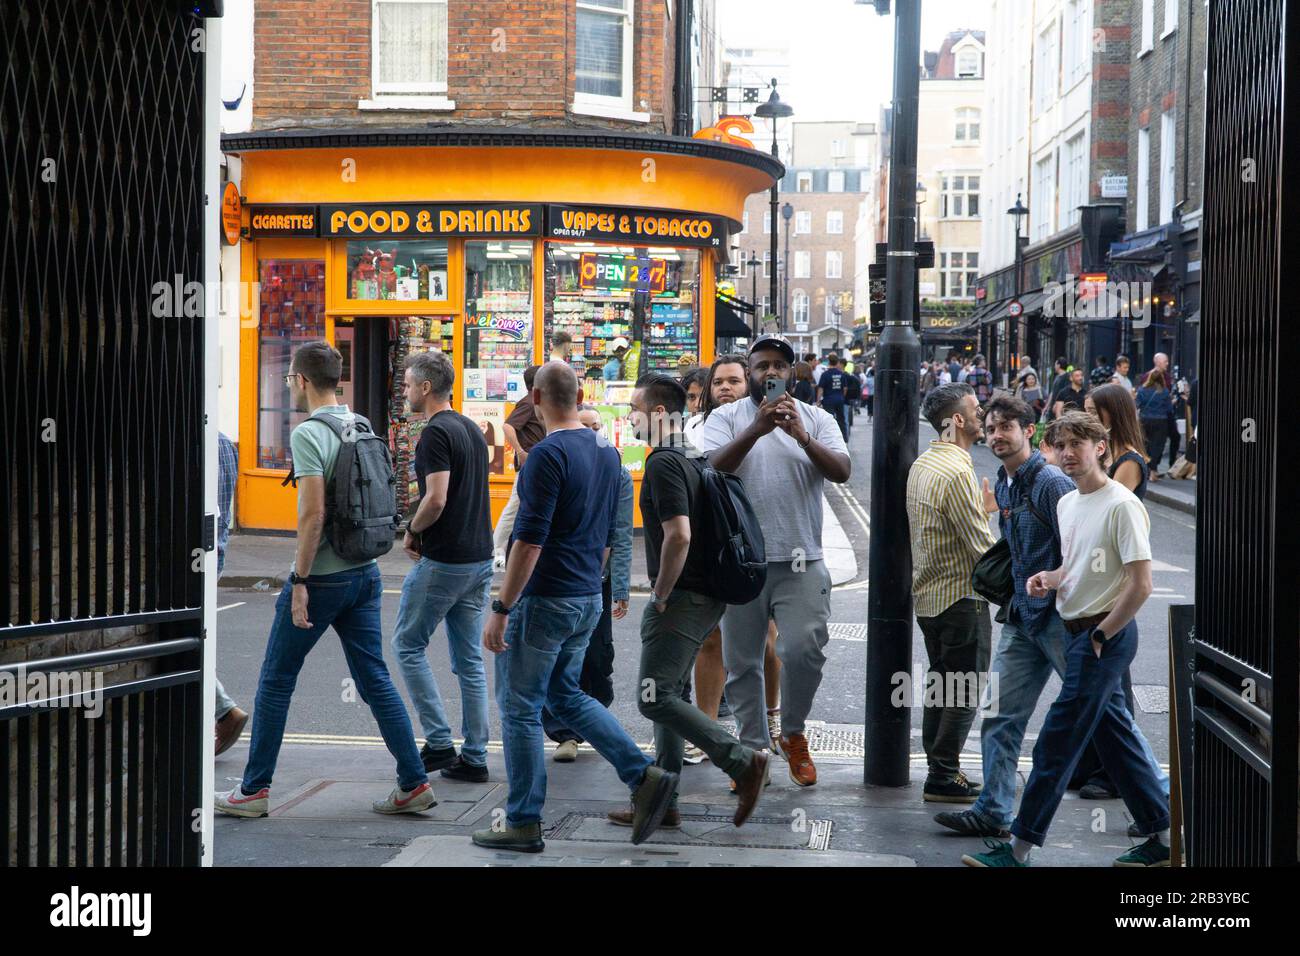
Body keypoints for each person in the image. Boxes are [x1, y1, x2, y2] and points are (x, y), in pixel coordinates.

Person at [216, 342, 431, 818]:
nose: (289, 387)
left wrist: (299, 580)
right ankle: (414, 783)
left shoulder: (310, 434)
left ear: (302, 381)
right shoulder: (362, 424)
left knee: (275, 682)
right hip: (366, 573)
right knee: (375, 678)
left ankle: (253, 791)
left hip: (325, 579)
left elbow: (312, 514)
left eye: (290, 380)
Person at [474, 362, 677, 853]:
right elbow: (611, 537)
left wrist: (503, 604)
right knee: (566, 695)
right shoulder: (606, 453)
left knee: (520, 708)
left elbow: (529, 541)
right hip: (588, 596)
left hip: (544, 600)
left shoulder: (546, 455)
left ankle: (522, 820)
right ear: (580, 393)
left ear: (538, 398)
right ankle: (643, 776)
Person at [963, 410, 1170, 867]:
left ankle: (1018, 850)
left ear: (1100, 448)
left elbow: (1141, 584)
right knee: (1113, 737)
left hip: (1103, 635)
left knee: (1056, 741)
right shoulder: (1068, 503)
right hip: (1077, 628)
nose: (1068, 453)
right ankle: (1163, 833)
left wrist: (1100, 635)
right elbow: (1075, 568)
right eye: (1060, 445)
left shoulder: (1121, 504)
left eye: (1078, 444)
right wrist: (1049, 578)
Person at [603, 374, 770, 830]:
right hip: (708, 593)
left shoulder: (663, 463)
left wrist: (659, 595)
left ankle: (741, 761)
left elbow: (679, 534)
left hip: (681, 597)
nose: (630, 419)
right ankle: (664, 801)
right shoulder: (695, 455)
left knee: (651, 696)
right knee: (671, 691)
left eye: (635, 410)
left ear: (659, 414)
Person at [698, 334, 851, 787]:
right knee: (741, 660)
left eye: (778, 366)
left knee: (804, 649)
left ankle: (793, 734)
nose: (770, 373)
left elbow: (842, 472)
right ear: (750, 373)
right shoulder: (726, 417)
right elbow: (713, 468)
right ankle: (751, 751)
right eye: (761, 365)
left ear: (791, 373)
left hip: (803, 558)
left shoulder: (817, 419)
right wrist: (756, 430)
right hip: (742, 561)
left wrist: (800, 436)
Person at [390, 350, 495, 783]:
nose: (407, 391)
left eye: (410, 384)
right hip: (480, 559)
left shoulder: (434, 434)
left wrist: (412, 530)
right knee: (469, 659)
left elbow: (436, 498)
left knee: (407, 646)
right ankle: (474, 756)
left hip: (447, 559)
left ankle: (436, 741)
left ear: (427, 387)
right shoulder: (470, 428)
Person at [681, 354, 782, 765]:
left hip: (758, 544)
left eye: (734, 381)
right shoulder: (693, 428)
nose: (725, 387)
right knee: (711, 639)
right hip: (712, 542)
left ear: (748, 384)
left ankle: (770, 718)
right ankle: (707, 729)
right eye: (718, 382)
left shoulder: (767, 422)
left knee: (767, 642)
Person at [906, 383, 997, 803]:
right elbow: (981, 547)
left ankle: (939, 769)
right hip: (962, 597)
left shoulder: (924, 463)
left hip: (929, 596)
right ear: (957, 419)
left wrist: (982, 507)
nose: (983, 416)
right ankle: (944, 774)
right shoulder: (959, 471)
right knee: (963, 689)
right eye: (976, 409)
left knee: (940, 685)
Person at [545, 406, 633, 762]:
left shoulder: (618, 474)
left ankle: (592, 718)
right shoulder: (558, 466)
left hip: (598, 580)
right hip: (562, 577)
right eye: (586, 427)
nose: (593, 434)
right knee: (562, 658)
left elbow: (622, 533)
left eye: (597, 427)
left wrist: (622, 587)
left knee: (597, 657)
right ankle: (566, 734)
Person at [214, 430, 249, 757]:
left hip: (193, 557)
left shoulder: (199, 438)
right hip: (215, 554)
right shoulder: (224, 442)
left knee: (188, 639)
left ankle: (223, 710)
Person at [496, 365, 544, 565]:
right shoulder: (528, 403)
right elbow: (507, 426)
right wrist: (521, 452)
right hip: (530, 465)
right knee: (512, 510)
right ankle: (497, 555)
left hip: (537, 464)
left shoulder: (537, 402)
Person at [1136, 369, 1173, 480]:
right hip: (1160, 421)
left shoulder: (1142, 390)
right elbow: (1169, 409)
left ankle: (1146, 469)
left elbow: (1137, 404)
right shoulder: (1165, 392)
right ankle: (1153, 470)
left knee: (1145, 445)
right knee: (1157, 446)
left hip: (1145, 420)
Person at [817, 353, 849, 441]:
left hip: (828, 400)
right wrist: (842, 397)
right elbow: (845, 388)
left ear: (829, 362)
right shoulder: (841, 374)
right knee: (841, 419)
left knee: (829, 421)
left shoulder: (825, 374)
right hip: (839, 399)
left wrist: (818, 401)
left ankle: (830, 439)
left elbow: (821, 389)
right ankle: (844, 439)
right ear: (837, 362)